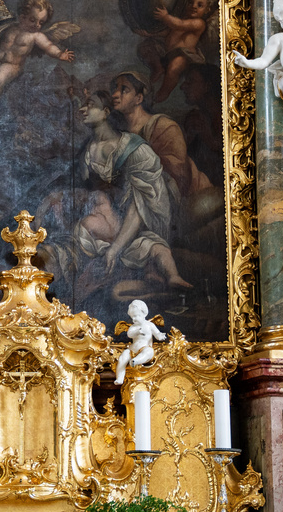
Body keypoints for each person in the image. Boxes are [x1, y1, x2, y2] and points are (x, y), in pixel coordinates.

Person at [73, 91, 190, 288]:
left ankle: (168, 276)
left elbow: (141, 205)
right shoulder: (87, 151)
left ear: (106, 112)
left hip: (137, 222)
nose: (83, 109)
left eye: (90, 105)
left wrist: (115, 248)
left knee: (153, 247)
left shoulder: (134, 149)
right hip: (107, 222)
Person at [109, 70, 212, 198]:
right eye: (115, 89)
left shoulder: (164, 127)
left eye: (124, 90)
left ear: (139, 98)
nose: (115, 95)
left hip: (195, 198)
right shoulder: (118, 132)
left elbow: (179, 173)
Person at [114, 299, 166, 384]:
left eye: (136, 316)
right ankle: (120, 378)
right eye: (132, 317)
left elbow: (157, 333)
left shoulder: (149, 325)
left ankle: (136, 361)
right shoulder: (133, 327)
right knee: (122, 358)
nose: (134, 319)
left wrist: (160, 336)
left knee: (149, 352)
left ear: (144, 314)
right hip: (132, 350)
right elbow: (129, 334)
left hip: (144, 348)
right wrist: (137, 331)